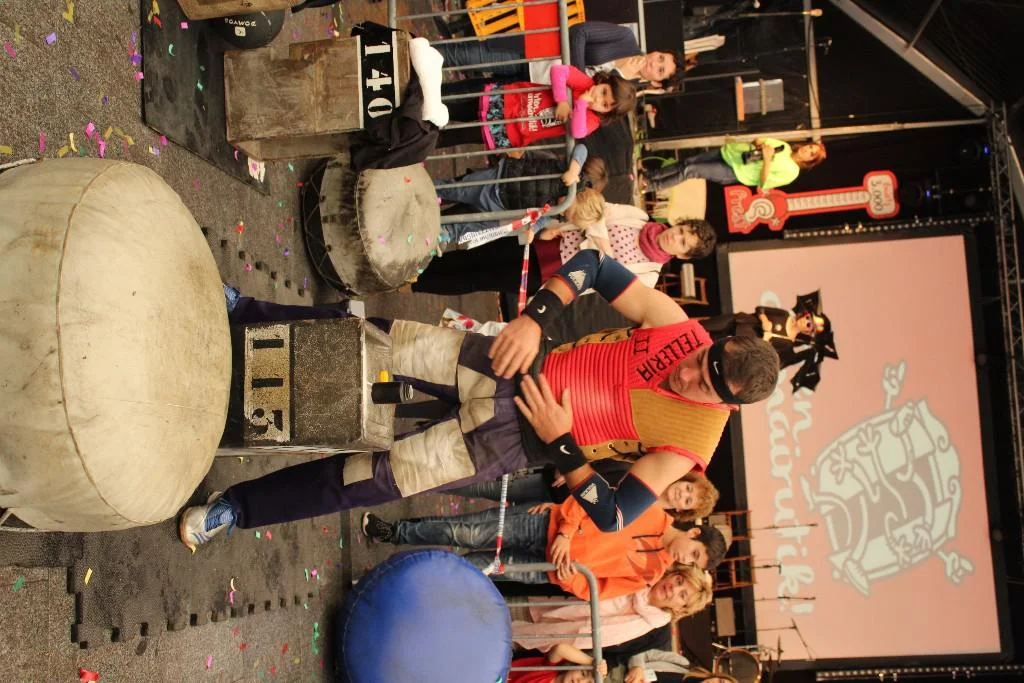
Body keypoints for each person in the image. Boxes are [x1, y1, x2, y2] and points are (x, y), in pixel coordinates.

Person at [178, 250, 778, 551]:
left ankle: (237, 508)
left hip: (510, 442)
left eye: (704, 385)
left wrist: (564, 446)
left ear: (727, 406)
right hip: (505, 361)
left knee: (366, 478)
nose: (687, 373)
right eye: (703, 359)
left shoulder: (695, 442)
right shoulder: (681, 329)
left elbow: (614, 515)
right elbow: (594, 265)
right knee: (369, 343)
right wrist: (536, 319)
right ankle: (248, 313)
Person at [360, 496, 726, 598]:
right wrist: (565, 531)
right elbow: (594, 498)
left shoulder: (651, 576)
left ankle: (391, 578)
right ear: (694, 533)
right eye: (695, 554)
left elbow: (598, 590)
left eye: (695, 564)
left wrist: (569, 578)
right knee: (465, 532)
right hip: (546, 525)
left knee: (470, 569)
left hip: (547, 571)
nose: (687, 560)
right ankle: (393, 532)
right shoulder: (650, 508)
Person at [412, 208, 716, 297]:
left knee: (477, 280)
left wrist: (598, 237)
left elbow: (605, 276)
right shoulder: (638, 217)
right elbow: (595, 209)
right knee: (476, 254)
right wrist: (600, 243)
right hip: (546, 238)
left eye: (683, 243)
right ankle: (413, 265)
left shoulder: (648, 277)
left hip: (552, 276)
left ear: (683, 256)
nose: (676, 236)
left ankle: (414, 284)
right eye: (682, 230)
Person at [435, 145, 608, 249]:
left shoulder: (559, 211)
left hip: (503, 206)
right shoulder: (571, 177)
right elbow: (581, 148)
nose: (565, 214)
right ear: (579, 196)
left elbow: (541, 218)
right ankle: (434, 191)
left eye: (570, 219)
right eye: (571, 212)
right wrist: (574, 169)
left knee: (484, 226)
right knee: (457, 190)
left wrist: (533, 230)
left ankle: (448, 232)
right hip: (500, 180)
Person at [434, 21, 685, 91]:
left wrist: (615, 75)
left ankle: (417, 88)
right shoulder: (625, 38)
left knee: (469, 90)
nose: (654, 62)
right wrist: (578, 76)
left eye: (660, 70)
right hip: (531, 52)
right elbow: (580, 32)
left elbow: (586, 102)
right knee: (464, 56)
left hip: (534, 86)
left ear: (656, 83)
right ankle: (413, 57)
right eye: (660, 57)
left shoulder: (624, 91)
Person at [510, 567, 713, 652]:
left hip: (544, 632)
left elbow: (589, 637)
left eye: (682, 595)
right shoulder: (640, 573)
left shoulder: (648, 626)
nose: (673, 589)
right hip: (541, 595)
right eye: (679, 581)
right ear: (673, 574)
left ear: (680, 608)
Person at [437, 65, 635, 149]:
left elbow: (578, 131)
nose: (598, 99)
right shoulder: (585, 83)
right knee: (458, 111)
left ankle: (421, 142)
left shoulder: (592, 119)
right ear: (603, 81)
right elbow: (558, 70)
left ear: (608, 113)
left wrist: (581, 104)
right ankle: (423, 116)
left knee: (459, 136)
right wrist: (562, 100)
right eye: (604, 92)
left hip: (512, 130)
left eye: (605, 105)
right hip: (508, 101)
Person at [446, 463, 720, 523]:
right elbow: (602, 462)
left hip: (552, 518)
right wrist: (568, 470)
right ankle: (435, 482)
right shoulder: (647, 472)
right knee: (486, 487)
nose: (681, 494)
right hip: (553, 484)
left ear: (683, 511)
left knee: (480, 522)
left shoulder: (650, 518)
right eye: (688, 488)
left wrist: (562, 514)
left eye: (687, 500)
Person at [641, 139, 827, 194]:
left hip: (735, 171)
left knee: (690, 171)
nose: (807, 150)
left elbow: (763, 184)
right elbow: (758, 140)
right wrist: (761, 144)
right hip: (731, 153)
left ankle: (650, 186)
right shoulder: (784, 147)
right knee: (687, 162)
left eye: (812, 154)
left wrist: (767, 159)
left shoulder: (792, 172)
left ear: (810, 161)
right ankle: (650, 175)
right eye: (810, 147)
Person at [509, 642, 607, 683]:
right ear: (574, 665)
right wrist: (592, 663)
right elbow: (561, 648)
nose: (580, 681)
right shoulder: (551, 669)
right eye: (583, 673)